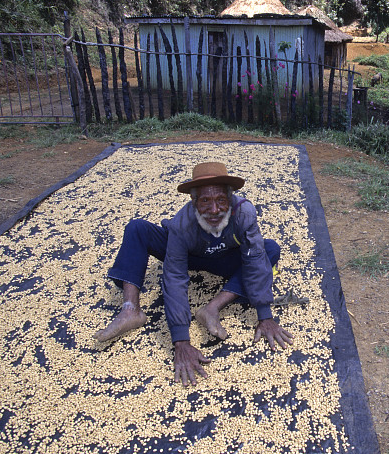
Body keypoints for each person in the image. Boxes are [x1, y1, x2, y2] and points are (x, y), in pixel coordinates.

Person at [93, 161, 294, 386]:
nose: (214, 210)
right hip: (189, 254)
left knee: (270, 250)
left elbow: (255, 259)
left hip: (225, 257)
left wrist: (265, 316)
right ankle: (131, 310)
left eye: (221, 200)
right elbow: (174, 277)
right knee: (137, 228)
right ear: (194, 202)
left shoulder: (244, 213)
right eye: (205, 201)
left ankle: (211, 308)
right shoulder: (182, 224)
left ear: (230, 199)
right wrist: (181, 341)